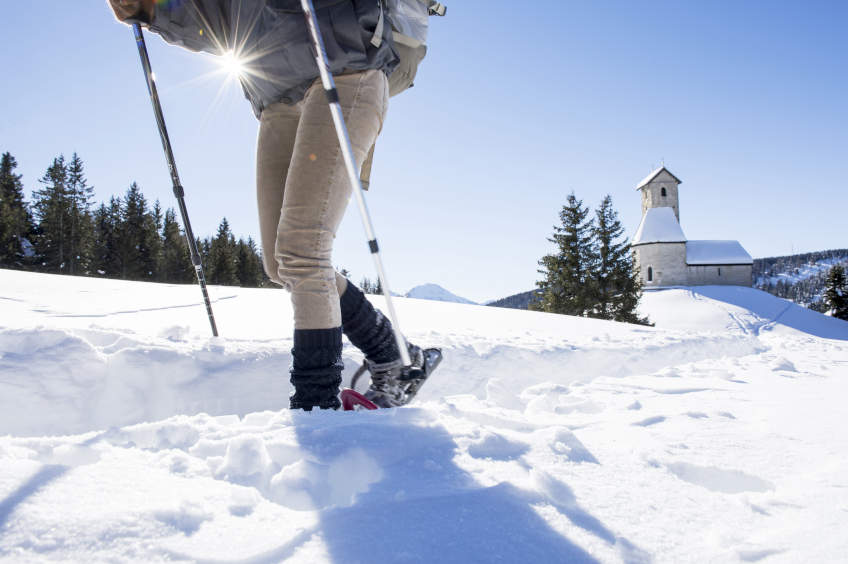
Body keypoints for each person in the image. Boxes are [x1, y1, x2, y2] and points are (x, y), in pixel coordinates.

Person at [108, 0, 427, 410]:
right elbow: (216, 22)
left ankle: (316, 411)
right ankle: (394, 353)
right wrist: (152, 10)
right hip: (276, 97)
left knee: (303, 253)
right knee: (281, 264)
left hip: (345, 69)